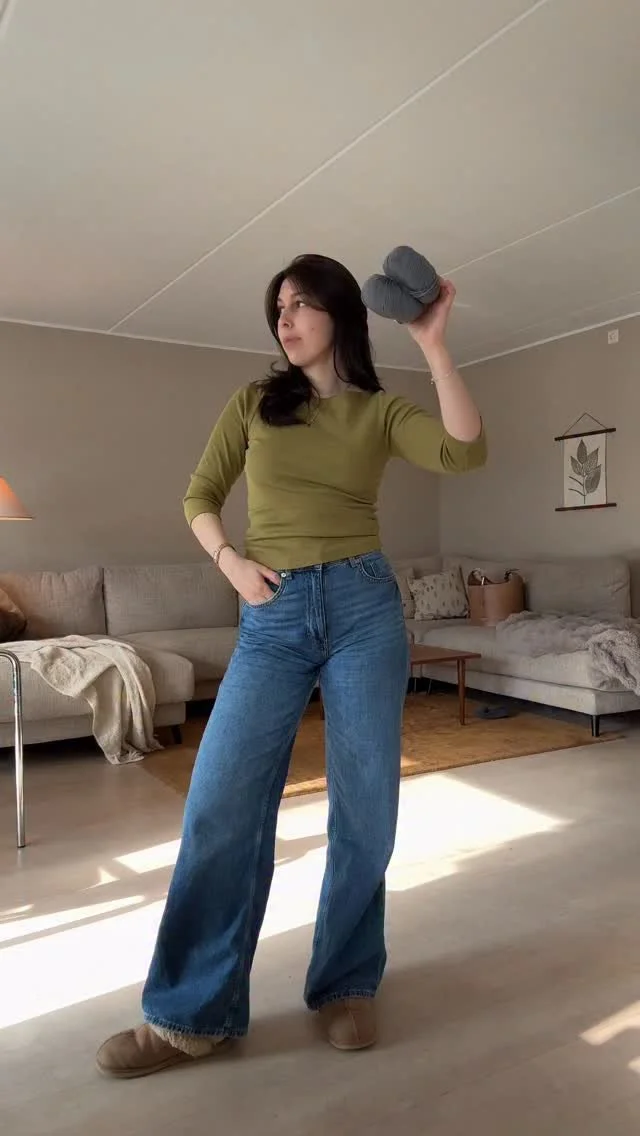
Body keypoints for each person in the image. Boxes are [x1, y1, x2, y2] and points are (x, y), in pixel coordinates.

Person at [97, 253, 486, 1079]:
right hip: (271, 615)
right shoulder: (253, 403)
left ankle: (346, 982)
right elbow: (199, 495)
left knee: (366, 806)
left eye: (302, 304)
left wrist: (434, 345)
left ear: (341, 313)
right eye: (278, 307)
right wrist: (231, 564)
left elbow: (464, 454)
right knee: (221, 804)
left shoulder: (380, 411)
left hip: (365, 609)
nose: (285, 319)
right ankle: (190, 1015)